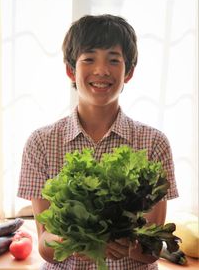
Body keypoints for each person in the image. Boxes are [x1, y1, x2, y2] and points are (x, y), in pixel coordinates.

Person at [17, 14, 178, 270]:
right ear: (71, 69)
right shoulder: (41, 143)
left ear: (129, 72)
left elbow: (153, 248)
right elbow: (45, 246)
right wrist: (74, 240)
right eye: (89, 59)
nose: (101, 70)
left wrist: (132, 247)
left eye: (113, 60)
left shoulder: (154, 143)